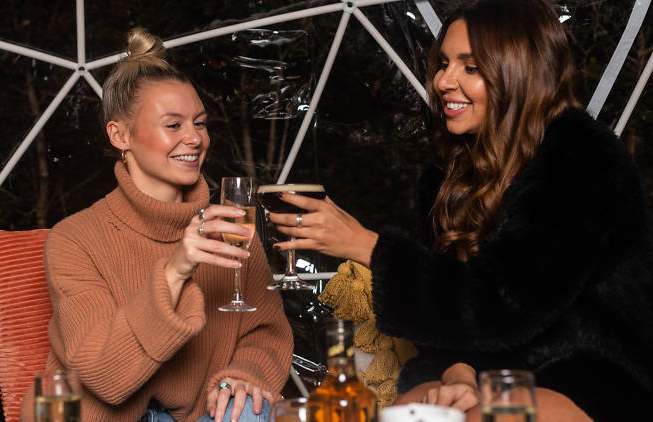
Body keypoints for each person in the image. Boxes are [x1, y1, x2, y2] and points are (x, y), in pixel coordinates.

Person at [267, 0, 653, 420]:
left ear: (520, 72)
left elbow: (504, 303)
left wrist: (368, 247)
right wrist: (458, 373)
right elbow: (448, 312)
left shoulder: (582, 158)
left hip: (586, 369)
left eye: (471, 68)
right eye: (444, 63)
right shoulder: (448, 171)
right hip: (479, 357)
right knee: (407, 413)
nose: (444, 81)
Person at [19, 28, 293, 422]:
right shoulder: (75, 239)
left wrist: (244, 375)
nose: (195, 138)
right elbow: (105, 376)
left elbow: (265, 330)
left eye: (199, 123)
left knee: (251, 410)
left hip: (204, 416)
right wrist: (175, 269)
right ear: (120, 135)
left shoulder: (231, 228)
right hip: (102, 417)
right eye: (174, 124)